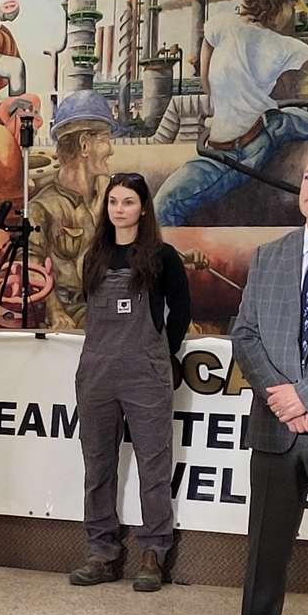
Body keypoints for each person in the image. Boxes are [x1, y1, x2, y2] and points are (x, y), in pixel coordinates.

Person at [211, 145, 308, 615]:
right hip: (275, 428)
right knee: (264, 548)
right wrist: (284, 401)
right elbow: (245, 334)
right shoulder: (271, 256)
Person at [68, 172, 191, 592]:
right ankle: (101, 552)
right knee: (97, 465)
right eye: (114, 202)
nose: (119, 210)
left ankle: (154, 553)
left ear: (143, 208)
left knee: (154, 466)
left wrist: (160, 352)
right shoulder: (94, 257)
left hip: (145, 373)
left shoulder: (163, 257)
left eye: (128, 202)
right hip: (97, 373)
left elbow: (182, 310)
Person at [155, 0, 308, 226]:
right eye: (291, 6)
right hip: (240, 150)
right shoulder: (286, 45)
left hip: (254, 134)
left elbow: (207, 83)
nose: (292, 14)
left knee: (163, 206)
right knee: (165, 204)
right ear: (278, 2)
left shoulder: (220, 25)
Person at [28, 89, 118, 329]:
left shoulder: (113, 196)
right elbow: (31, 264)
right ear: (84, 144)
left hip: (112, 303)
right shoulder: (43, 207)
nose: (111, 149)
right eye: (105, 139)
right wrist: (55, 311)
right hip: (72, 312)